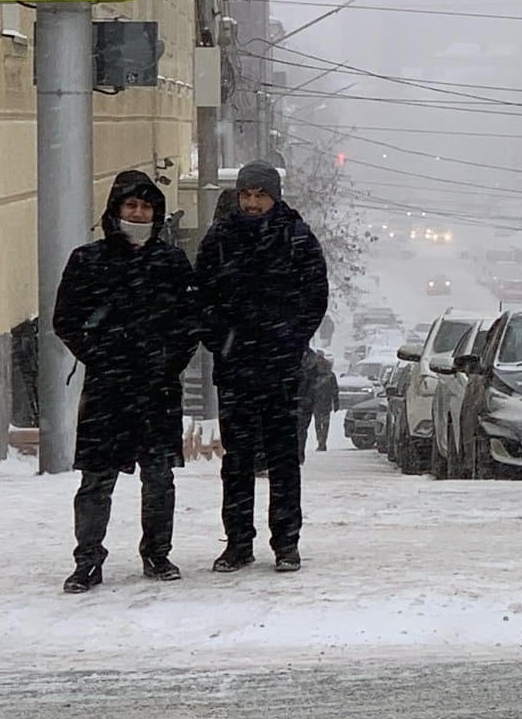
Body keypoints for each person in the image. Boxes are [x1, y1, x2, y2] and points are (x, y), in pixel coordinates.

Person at [53, 169, 202, 594]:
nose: (137, 214)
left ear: (157, 214)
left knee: (159, 477)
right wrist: (101, 356)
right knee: (96, 479)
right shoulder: (88, 260)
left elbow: (189, 323)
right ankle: (88, 560)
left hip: (157, 390)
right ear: (115, 211)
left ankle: (157, 553)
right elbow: (66, 320)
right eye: (130, 206)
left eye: (146, 206)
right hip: (107, 390)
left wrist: (167, 362)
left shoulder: (171, 262)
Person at [194, 161, 328, 573]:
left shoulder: (297, 238)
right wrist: (224, 342)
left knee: (283, 460)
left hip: (283, 369)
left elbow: (314, 298)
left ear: (275, 197)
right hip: (236, 369)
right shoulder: (220, 238)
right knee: (237, 461)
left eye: (260, 195)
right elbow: (202, 298)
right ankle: (237, 543)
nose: (252, 203)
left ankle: (286, 542)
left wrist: (289, 342)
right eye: (246, 195)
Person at [300, 343, 339, 457]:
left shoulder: (314, 374)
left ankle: (321, 442)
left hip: (316, 401)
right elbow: (335, 390)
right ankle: (322, 441)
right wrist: (336, 403)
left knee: (318, 423)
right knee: (324, 423)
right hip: (324, 402)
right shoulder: (329, 375)